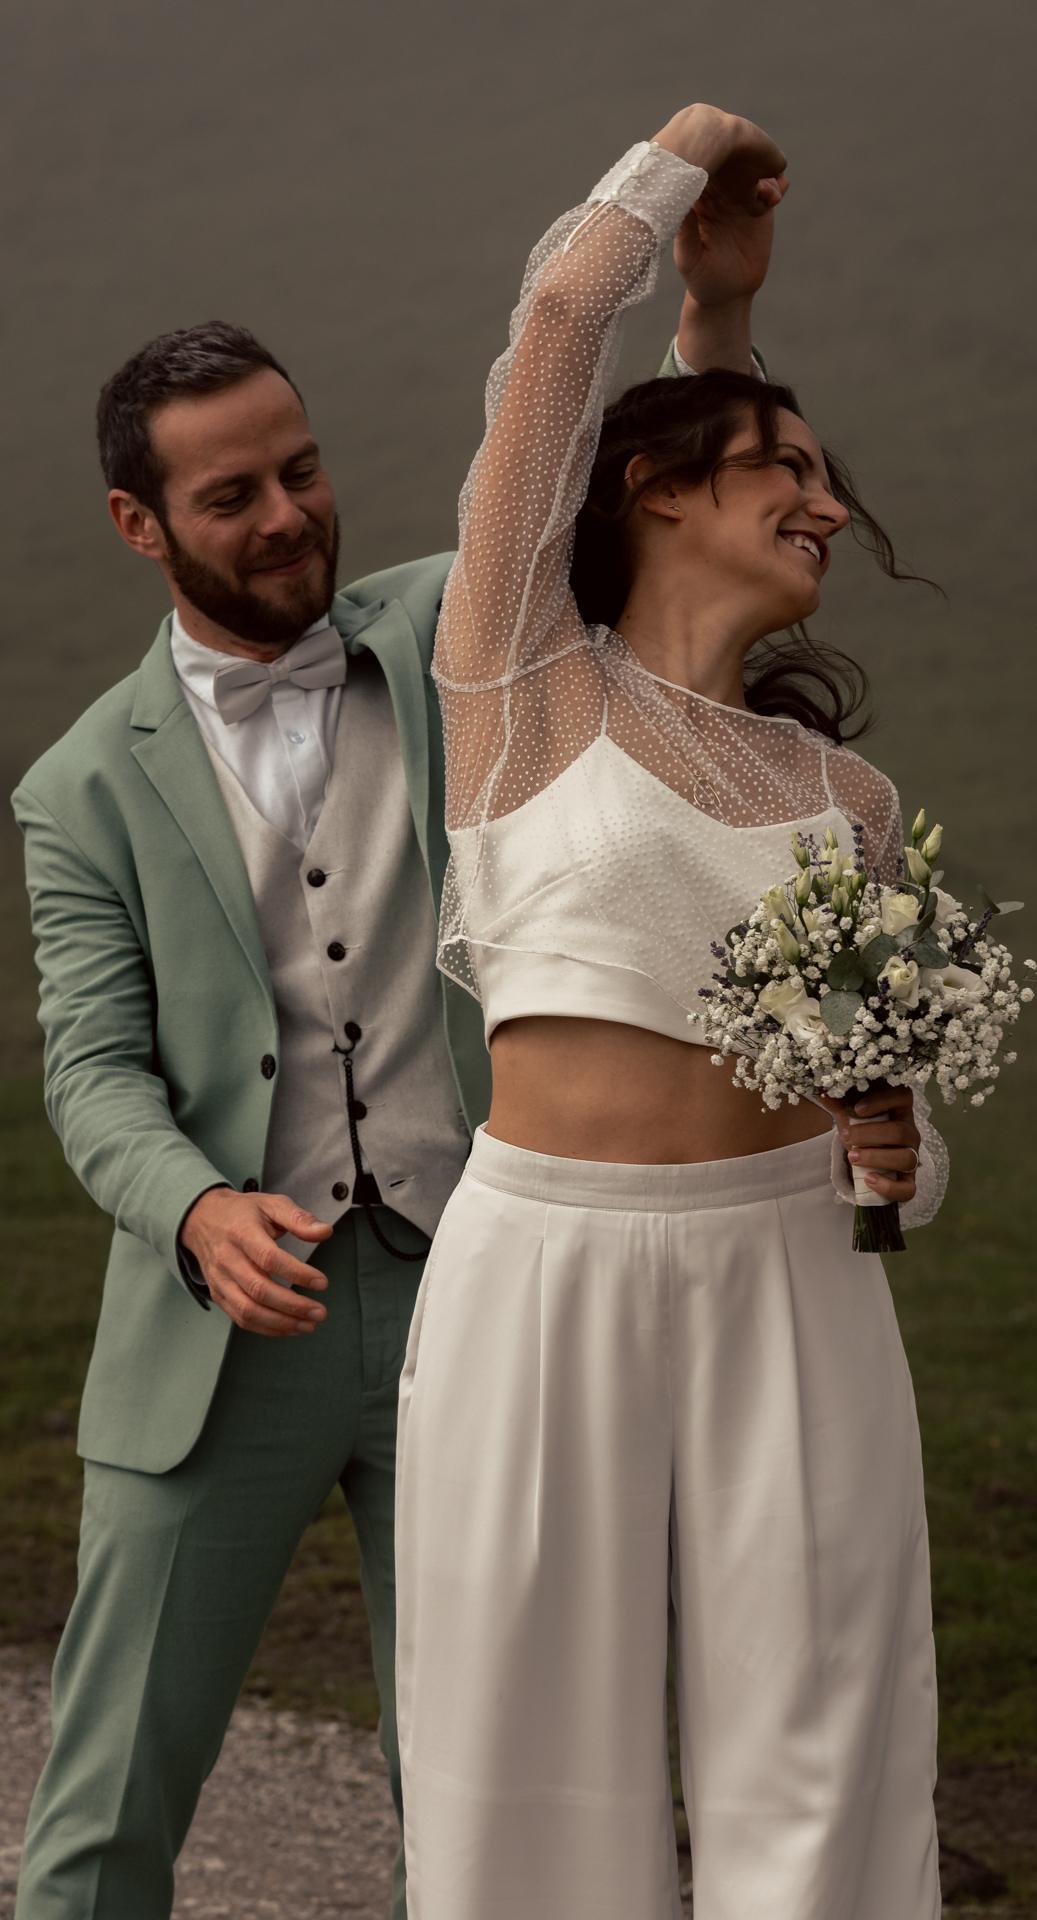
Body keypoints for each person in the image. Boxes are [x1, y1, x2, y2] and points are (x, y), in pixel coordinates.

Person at [9, 265, 735, 1914]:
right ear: (139, 524)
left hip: (478, 1297)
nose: (287, 516)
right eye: (232, 497)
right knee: (109, 1802)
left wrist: (711, 313)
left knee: (486, 1793)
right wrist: (195, 1207)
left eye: (302, 469)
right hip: (219, 1340)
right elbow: (95, 1068)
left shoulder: (447, 631)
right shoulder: (78, 788)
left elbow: (649, 494)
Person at [395, 104, 944, 1920]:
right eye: (782, 468)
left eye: (823, 478)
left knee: (824, 1734)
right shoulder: (521, 683)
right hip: (542, 1266)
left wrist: (898, 1150)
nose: (828, 506)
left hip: (793, 1272)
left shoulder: (844, 801)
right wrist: (685, 165)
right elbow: (560, 331)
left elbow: (896, 1122)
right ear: (652, 488)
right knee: (521, 1743)